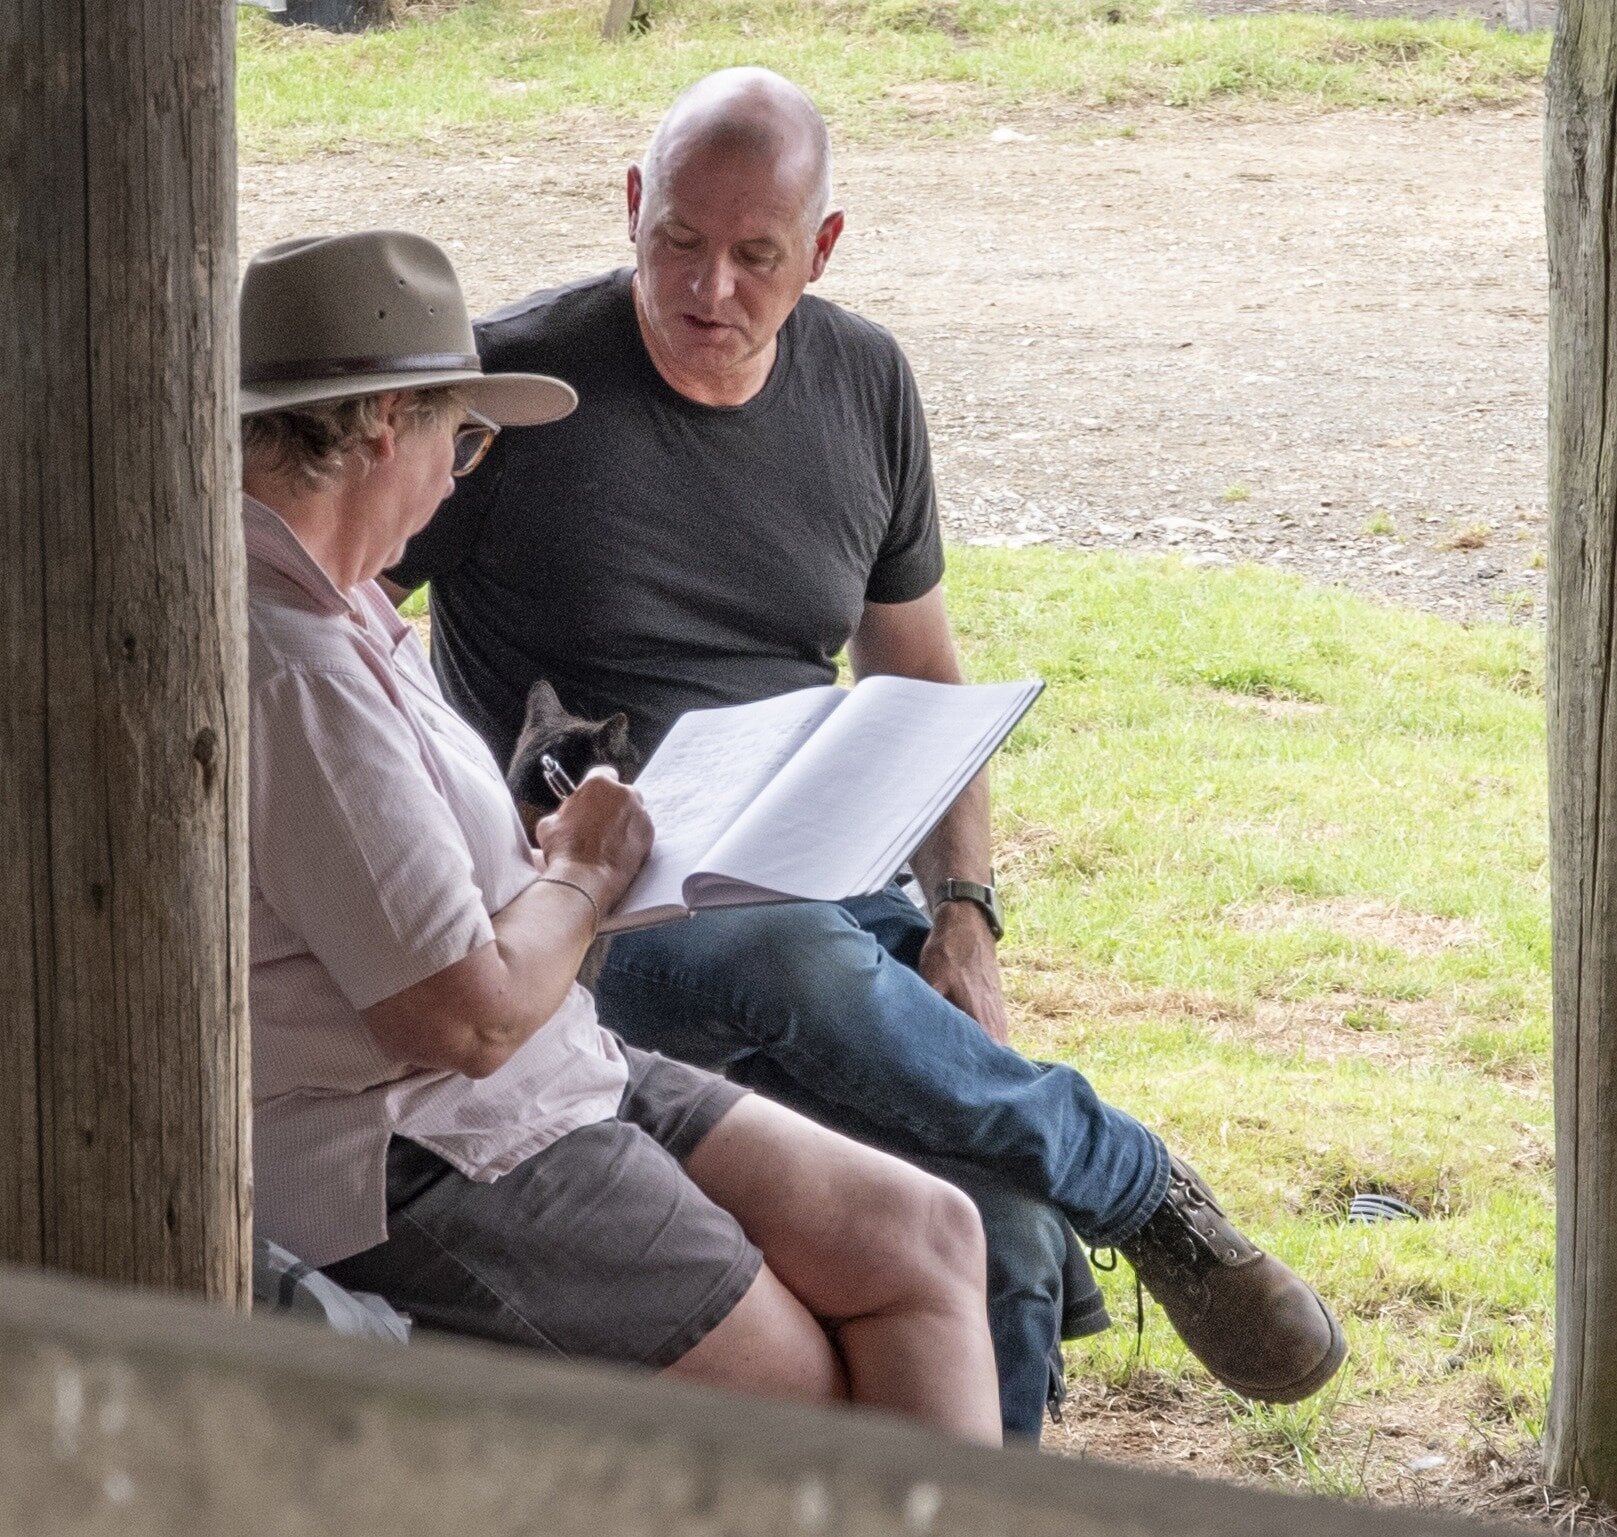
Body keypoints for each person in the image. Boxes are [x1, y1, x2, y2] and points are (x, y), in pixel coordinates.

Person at [386, 69, 1347, 1436]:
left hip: (819, 883)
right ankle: (1143, 1189)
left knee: (999, 1222)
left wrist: (965, 916)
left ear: (821, 250)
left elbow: (919, 678)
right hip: (596, 910)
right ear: (628, 209)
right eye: (674, 241)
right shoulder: (521, 395)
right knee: (778, 953)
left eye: (754, 255)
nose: (707, 285)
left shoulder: (865, 379)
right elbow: (334, 604)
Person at [243, 227, 1005, 1445]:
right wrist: (582, 874)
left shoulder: (343, 606)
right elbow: (465, 1016)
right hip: (420, 1145)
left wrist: (538, 858)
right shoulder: (291, 667)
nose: (456, 477)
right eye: (466, 437)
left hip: (550, 1072)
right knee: (806, 1399)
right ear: (389, 423)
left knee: (928, 1234)